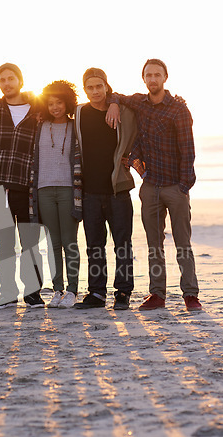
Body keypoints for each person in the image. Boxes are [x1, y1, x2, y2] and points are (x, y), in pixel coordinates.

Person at [115, 59, 202, 311]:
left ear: (165, 77)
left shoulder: (178, 110)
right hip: (150, 186)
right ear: (143, 78)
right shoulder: (139, 103)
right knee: (154, 244)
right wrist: (112, 103)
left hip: (175, 186)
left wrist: (184, 185)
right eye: (148, 75)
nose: (153, 79)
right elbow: (117, 96)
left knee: (182, 243)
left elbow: (188, 150)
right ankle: (157, 295)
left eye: (157, 75)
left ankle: (190, 295)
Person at [74, 68, 137, 310]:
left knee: (122, 243)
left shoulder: (121, 110)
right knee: (94, 245)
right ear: (84, 89)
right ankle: (97, 293)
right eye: (89, 87)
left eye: (99, 86)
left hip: (117, 191)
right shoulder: (80, 112)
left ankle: (123, 292)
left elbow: (140, 125)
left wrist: (114, 102)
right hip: (90, 191)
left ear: (106, 86)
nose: (94, 91)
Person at [0, 63, 45, 309]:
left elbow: (63, 102)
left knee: (30, 243)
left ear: (20, 80)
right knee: (4, 245)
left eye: (11, 78)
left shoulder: (37, 107)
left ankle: (33, 293)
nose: (7, 83)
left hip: (27, 186)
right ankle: (7, 292)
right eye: (2, 80)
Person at [30, 81, 82, 308]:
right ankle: (57, 290)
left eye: (59, 102)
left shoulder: (75, 126)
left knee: (70, 242)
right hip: (44, 189)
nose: (55, 107)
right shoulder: (39, 126)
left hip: (68, 189)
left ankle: (72, 291)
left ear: (67, 102)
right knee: (53, 243)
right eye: (50, 103)